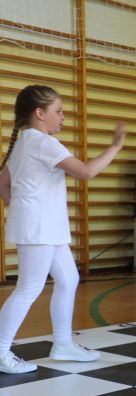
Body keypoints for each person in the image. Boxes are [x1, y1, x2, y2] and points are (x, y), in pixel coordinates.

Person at [0, 85, 126, 373]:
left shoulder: (24, 142)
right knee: (28, 288)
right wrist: (115, 146)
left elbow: (1, 184)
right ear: (39, 113)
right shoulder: (44, 143)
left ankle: (63, 344)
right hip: (40, 228)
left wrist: (21, 206)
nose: (63, 117)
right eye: (58, 111)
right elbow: (86, 172)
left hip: (45, 227)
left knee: (69, 278)